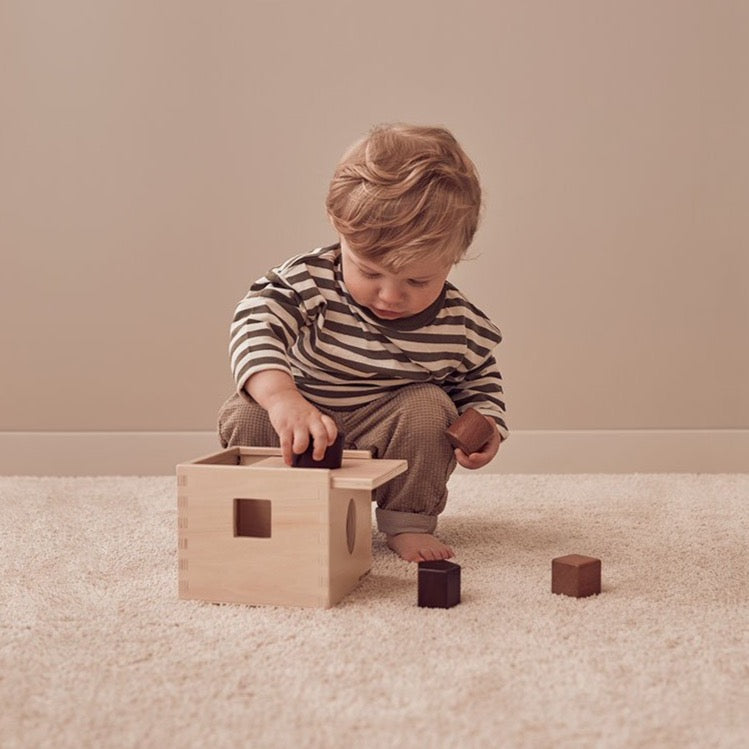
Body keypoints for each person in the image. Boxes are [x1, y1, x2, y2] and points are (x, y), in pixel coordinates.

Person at [217, 123, 507, 562]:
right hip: (304, 415)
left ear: (454, 258)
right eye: (369, 271)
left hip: (385, 428)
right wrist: (282, 399)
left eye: (417, 279)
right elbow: (256, 325)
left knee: (429, 407)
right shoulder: (308, 282)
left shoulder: (458, 323)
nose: (390, 295)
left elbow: (480, 380)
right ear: (340, 232)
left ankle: (407, 520)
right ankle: (270, 513)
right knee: (246, 413)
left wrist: (486, 424)